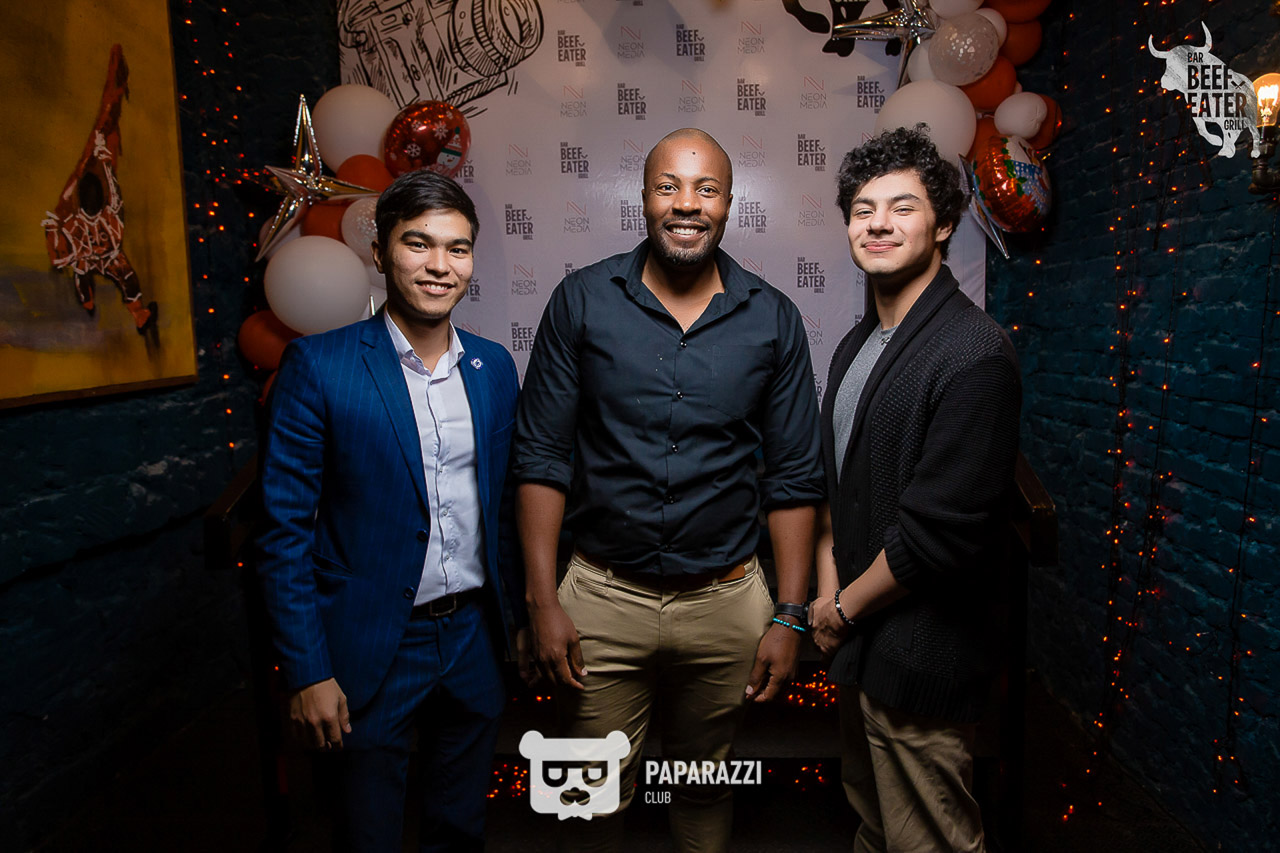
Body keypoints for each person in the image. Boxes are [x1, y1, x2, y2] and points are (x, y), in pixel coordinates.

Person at [513, 127, 825, 852]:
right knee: (586, 799)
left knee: (703, 788)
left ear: (729, 203)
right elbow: (542, 456)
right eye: (669, 186)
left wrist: (789, 616)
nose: (687, 203)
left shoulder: (773, 317)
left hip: (727, 601)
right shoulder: (582, 300)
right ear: (644, 198)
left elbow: (794, 475)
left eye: (706, 189)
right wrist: (542, 600)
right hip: (601, 597)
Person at [256, 169, 525, 852]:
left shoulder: (494, 367)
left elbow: (503, 510)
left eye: (457, 248)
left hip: (473, 638)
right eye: (418, 243)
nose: (440, 265)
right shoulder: (320, 365)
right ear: (380, 251)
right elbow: (283, 532)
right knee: (367, 832)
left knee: (459, 828)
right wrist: (308, 669)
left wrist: (518, 623)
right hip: (371, 642)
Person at [809, 125, 1022, 853]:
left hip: (921, 653)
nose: (878, 223)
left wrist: (840, 608)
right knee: (875, 828)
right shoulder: (856, 346)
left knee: (930, 841)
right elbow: (839, 488)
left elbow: (940, 536)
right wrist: (830, 596)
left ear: (944, 225)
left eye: (903, 207)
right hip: (860, 647)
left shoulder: (974, 351)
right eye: (863, 209)